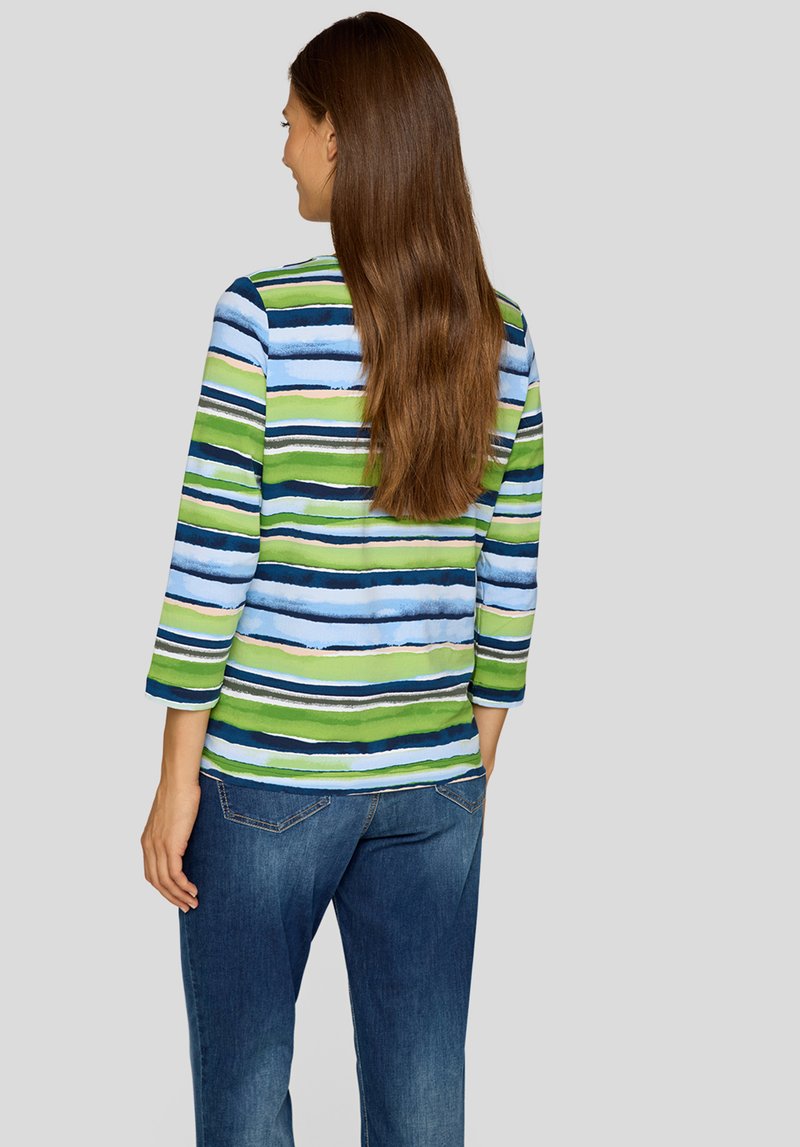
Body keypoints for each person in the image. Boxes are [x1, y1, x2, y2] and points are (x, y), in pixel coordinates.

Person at [140, 11, 544, 1146]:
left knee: (241, 1103)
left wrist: (175, 776)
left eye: (291, 123)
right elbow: (510, 572)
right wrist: (467, 758)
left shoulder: (262, 315)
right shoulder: (501, 334)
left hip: (270, 774)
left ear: (343, 134)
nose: (282, 150)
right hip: (433, 780)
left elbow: (212, 556)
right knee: (423, 1109)